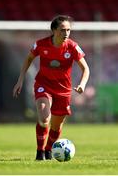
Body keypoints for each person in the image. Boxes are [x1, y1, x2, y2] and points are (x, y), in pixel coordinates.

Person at [13, 15, 90, 160]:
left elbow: (86, 69)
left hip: (63, 89)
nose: (66, 33)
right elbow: (29, 59)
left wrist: (82, 84)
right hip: (44, 85)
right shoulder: (41, 44)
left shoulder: (72, 47)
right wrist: (20, 80)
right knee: (44, 118)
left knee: (56, 126)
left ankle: (48, 150)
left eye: (68, 30)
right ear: (54, 30)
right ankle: (39, 152)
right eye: (62, 30)